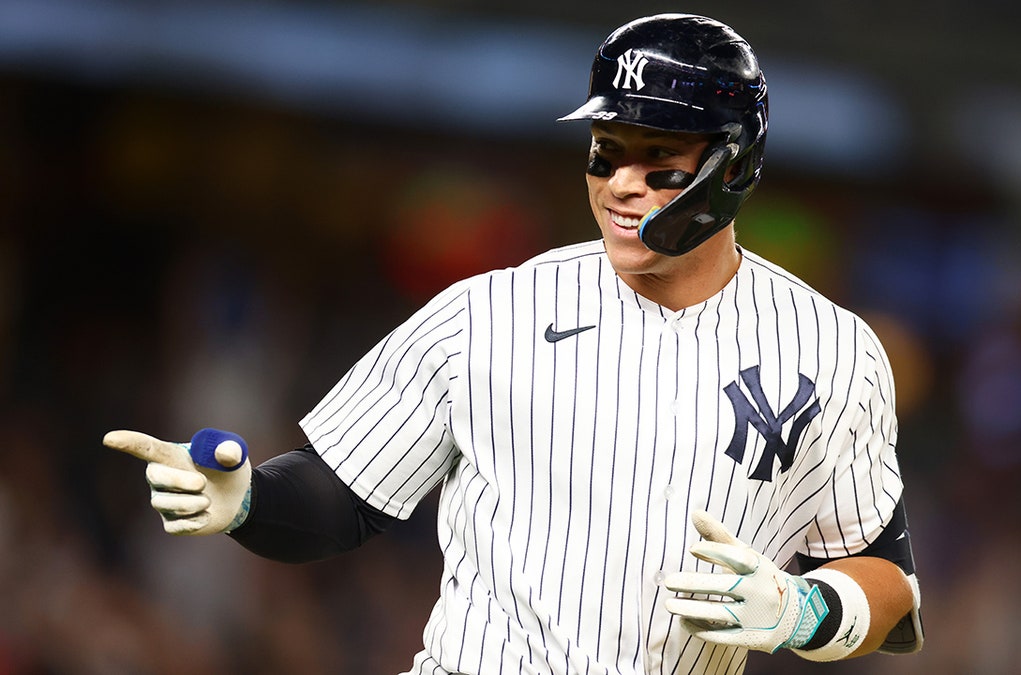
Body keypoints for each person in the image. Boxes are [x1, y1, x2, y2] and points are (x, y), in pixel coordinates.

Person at [105, 13, 924, 674]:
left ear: (736, 166)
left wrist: (801, 610)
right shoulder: (488, 312)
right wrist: (249, 500)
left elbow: (889, 588)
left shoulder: (831, 350)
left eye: (660, 159)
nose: (622, 183)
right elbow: (337, 497)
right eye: (607, 152)